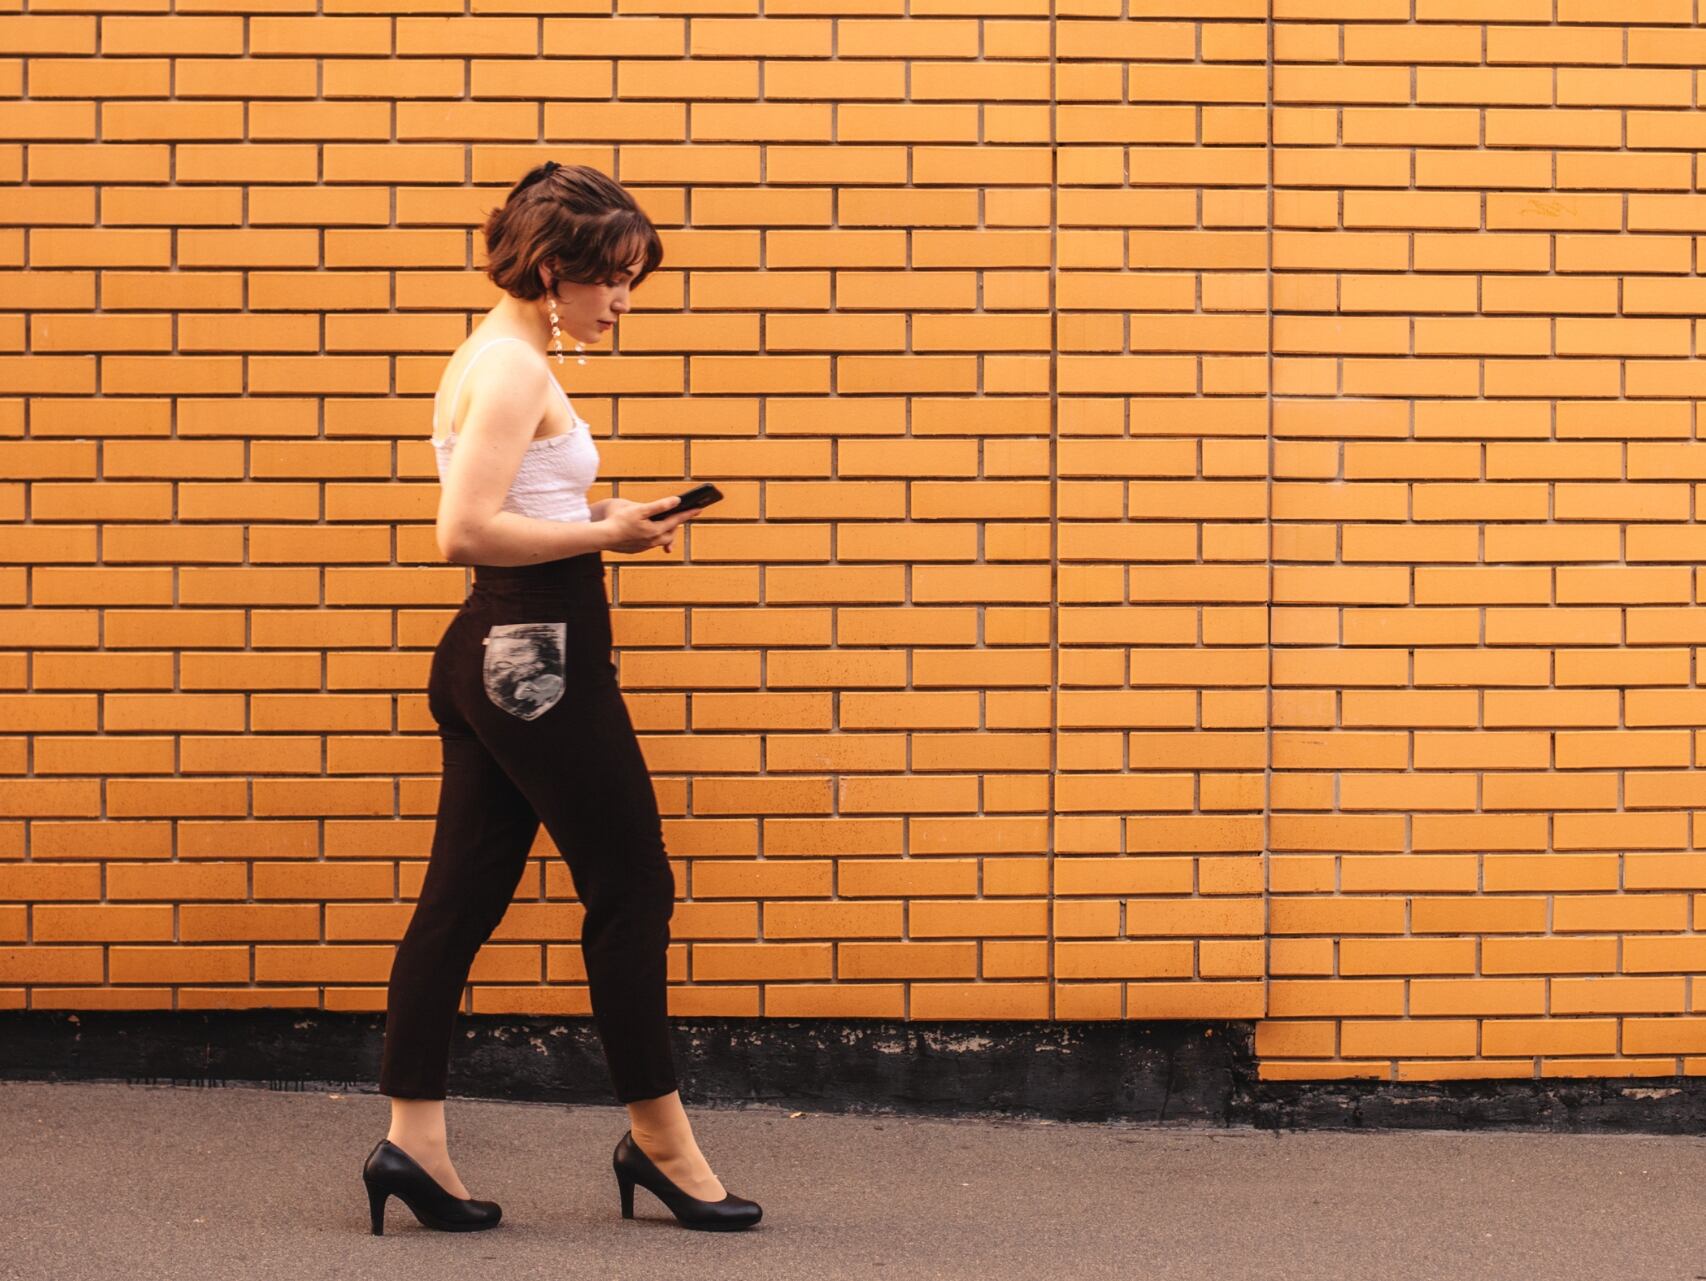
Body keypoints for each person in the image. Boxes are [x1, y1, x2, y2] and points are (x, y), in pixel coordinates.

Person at [360, 160, 761, 1235]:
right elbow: (462, 530)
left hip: (502, 651)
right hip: (535, 656)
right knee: (633, 888)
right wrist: (603, 534)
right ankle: (662, 1146)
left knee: (461, 900)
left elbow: (514, 500)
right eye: (611, 279)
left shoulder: (494, 356)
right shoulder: (511, 369)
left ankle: (412, 1146)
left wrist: (600, 512)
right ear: (551, 270)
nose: (622, 301)